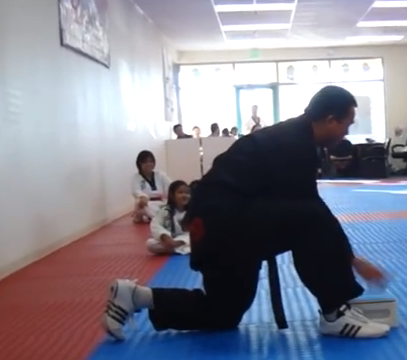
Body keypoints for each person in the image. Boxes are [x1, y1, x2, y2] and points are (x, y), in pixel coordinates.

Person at [103, 86, 392, 340]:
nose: (347, 133)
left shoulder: (299, 138)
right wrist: (352, 260)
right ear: (330, 120)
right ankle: (334, 312)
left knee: (223, 312)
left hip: (225, 222)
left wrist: (349, 257)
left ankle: (135, 296)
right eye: (347, 124)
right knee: (310, 219)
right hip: (220, 223)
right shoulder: (294, 144)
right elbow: (313, 212)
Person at [147, 181, 191, 255]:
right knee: (150, 244)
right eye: (180, 192)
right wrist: (164, 236)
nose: (184, 195)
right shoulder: (166, 210)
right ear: (172, 195)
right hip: (170, 240)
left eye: (187, 193)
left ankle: (175, 248)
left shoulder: (192, 211)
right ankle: (179, 249)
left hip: (185, 240)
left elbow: (195, 232)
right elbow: (155, 224)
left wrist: (181, 241)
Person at [131, 150, 172, 223]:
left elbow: (171, 186)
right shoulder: (136, 177)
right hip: (145, 203)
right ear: (139, 164)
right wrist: (143, 196)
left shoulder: (160, 175)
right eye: (145, 162)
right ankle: (159, 218)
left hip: (161, 203)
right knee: (143, 205)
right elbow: (136, 191)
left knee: (170, 207)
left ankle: (158, 216)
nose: (148, 164)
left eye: (150, 161)